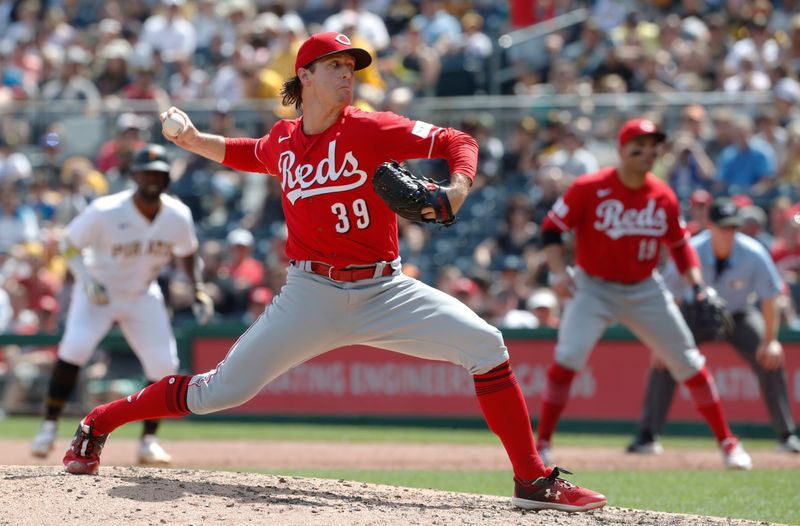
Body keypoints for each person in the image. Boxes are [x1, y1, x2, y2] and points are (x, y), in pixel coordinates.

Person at [59, 32, 606, 513]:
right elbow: (245, 151)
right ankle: (99, 422)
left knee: (487, 344)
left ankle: (531, 478)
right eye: (337, 67)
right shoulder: (283, 141)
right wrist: (189, 140)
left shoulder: (371, 129)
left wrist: (457, 188)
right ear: (305, 76)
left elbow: (457, 142)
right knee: (216, 393)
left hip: (385, 288)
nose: (349, 76)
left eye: (352, 68)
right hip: (310, 294)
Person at [536, 118, 753, 470]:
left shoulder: (662, 193)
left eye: (654, 146)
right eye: (640, 144)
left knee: (688, 361)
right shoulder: (589, 187)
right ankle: (542, 443)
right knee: (568, 357)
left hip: (644, 287)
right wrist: (559, 273)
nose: (648, 152)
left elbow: (681, 247)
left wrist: (697, 285)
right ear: (623, 149)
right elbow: (551, 230)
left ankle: (728, 442)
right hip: (593, 286)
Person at [31, 144, 213, 465]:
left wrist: (197, 289)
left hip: (142, 294)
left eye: (159, 173)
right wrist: (86, 278)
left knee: (163, 366)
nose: (153, 179)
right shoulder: (106, 210)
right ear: (134, 176)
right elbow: (68, 244)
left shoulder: (177, 215)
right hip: (98, 292)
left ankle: (149, 442)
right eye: (147, 172)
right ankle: (48, 427)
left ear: (168, 178)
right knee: (74, 350)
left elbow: (187, 253)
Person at [628, 198, 800, 455]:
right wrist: (661, 342)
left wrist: (771, 340)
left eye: (733, 227)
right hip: (693, 315)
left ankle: (786, 435)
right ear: (710, 226)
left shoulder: (753, 252)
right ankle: (647, 435)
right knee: (665, 359)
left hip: (738, 315)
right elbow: (670, 297)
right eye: (723, 227)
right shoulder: (691, 249)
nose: (728, 233)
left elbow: (770, 297)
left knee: (770, 359)